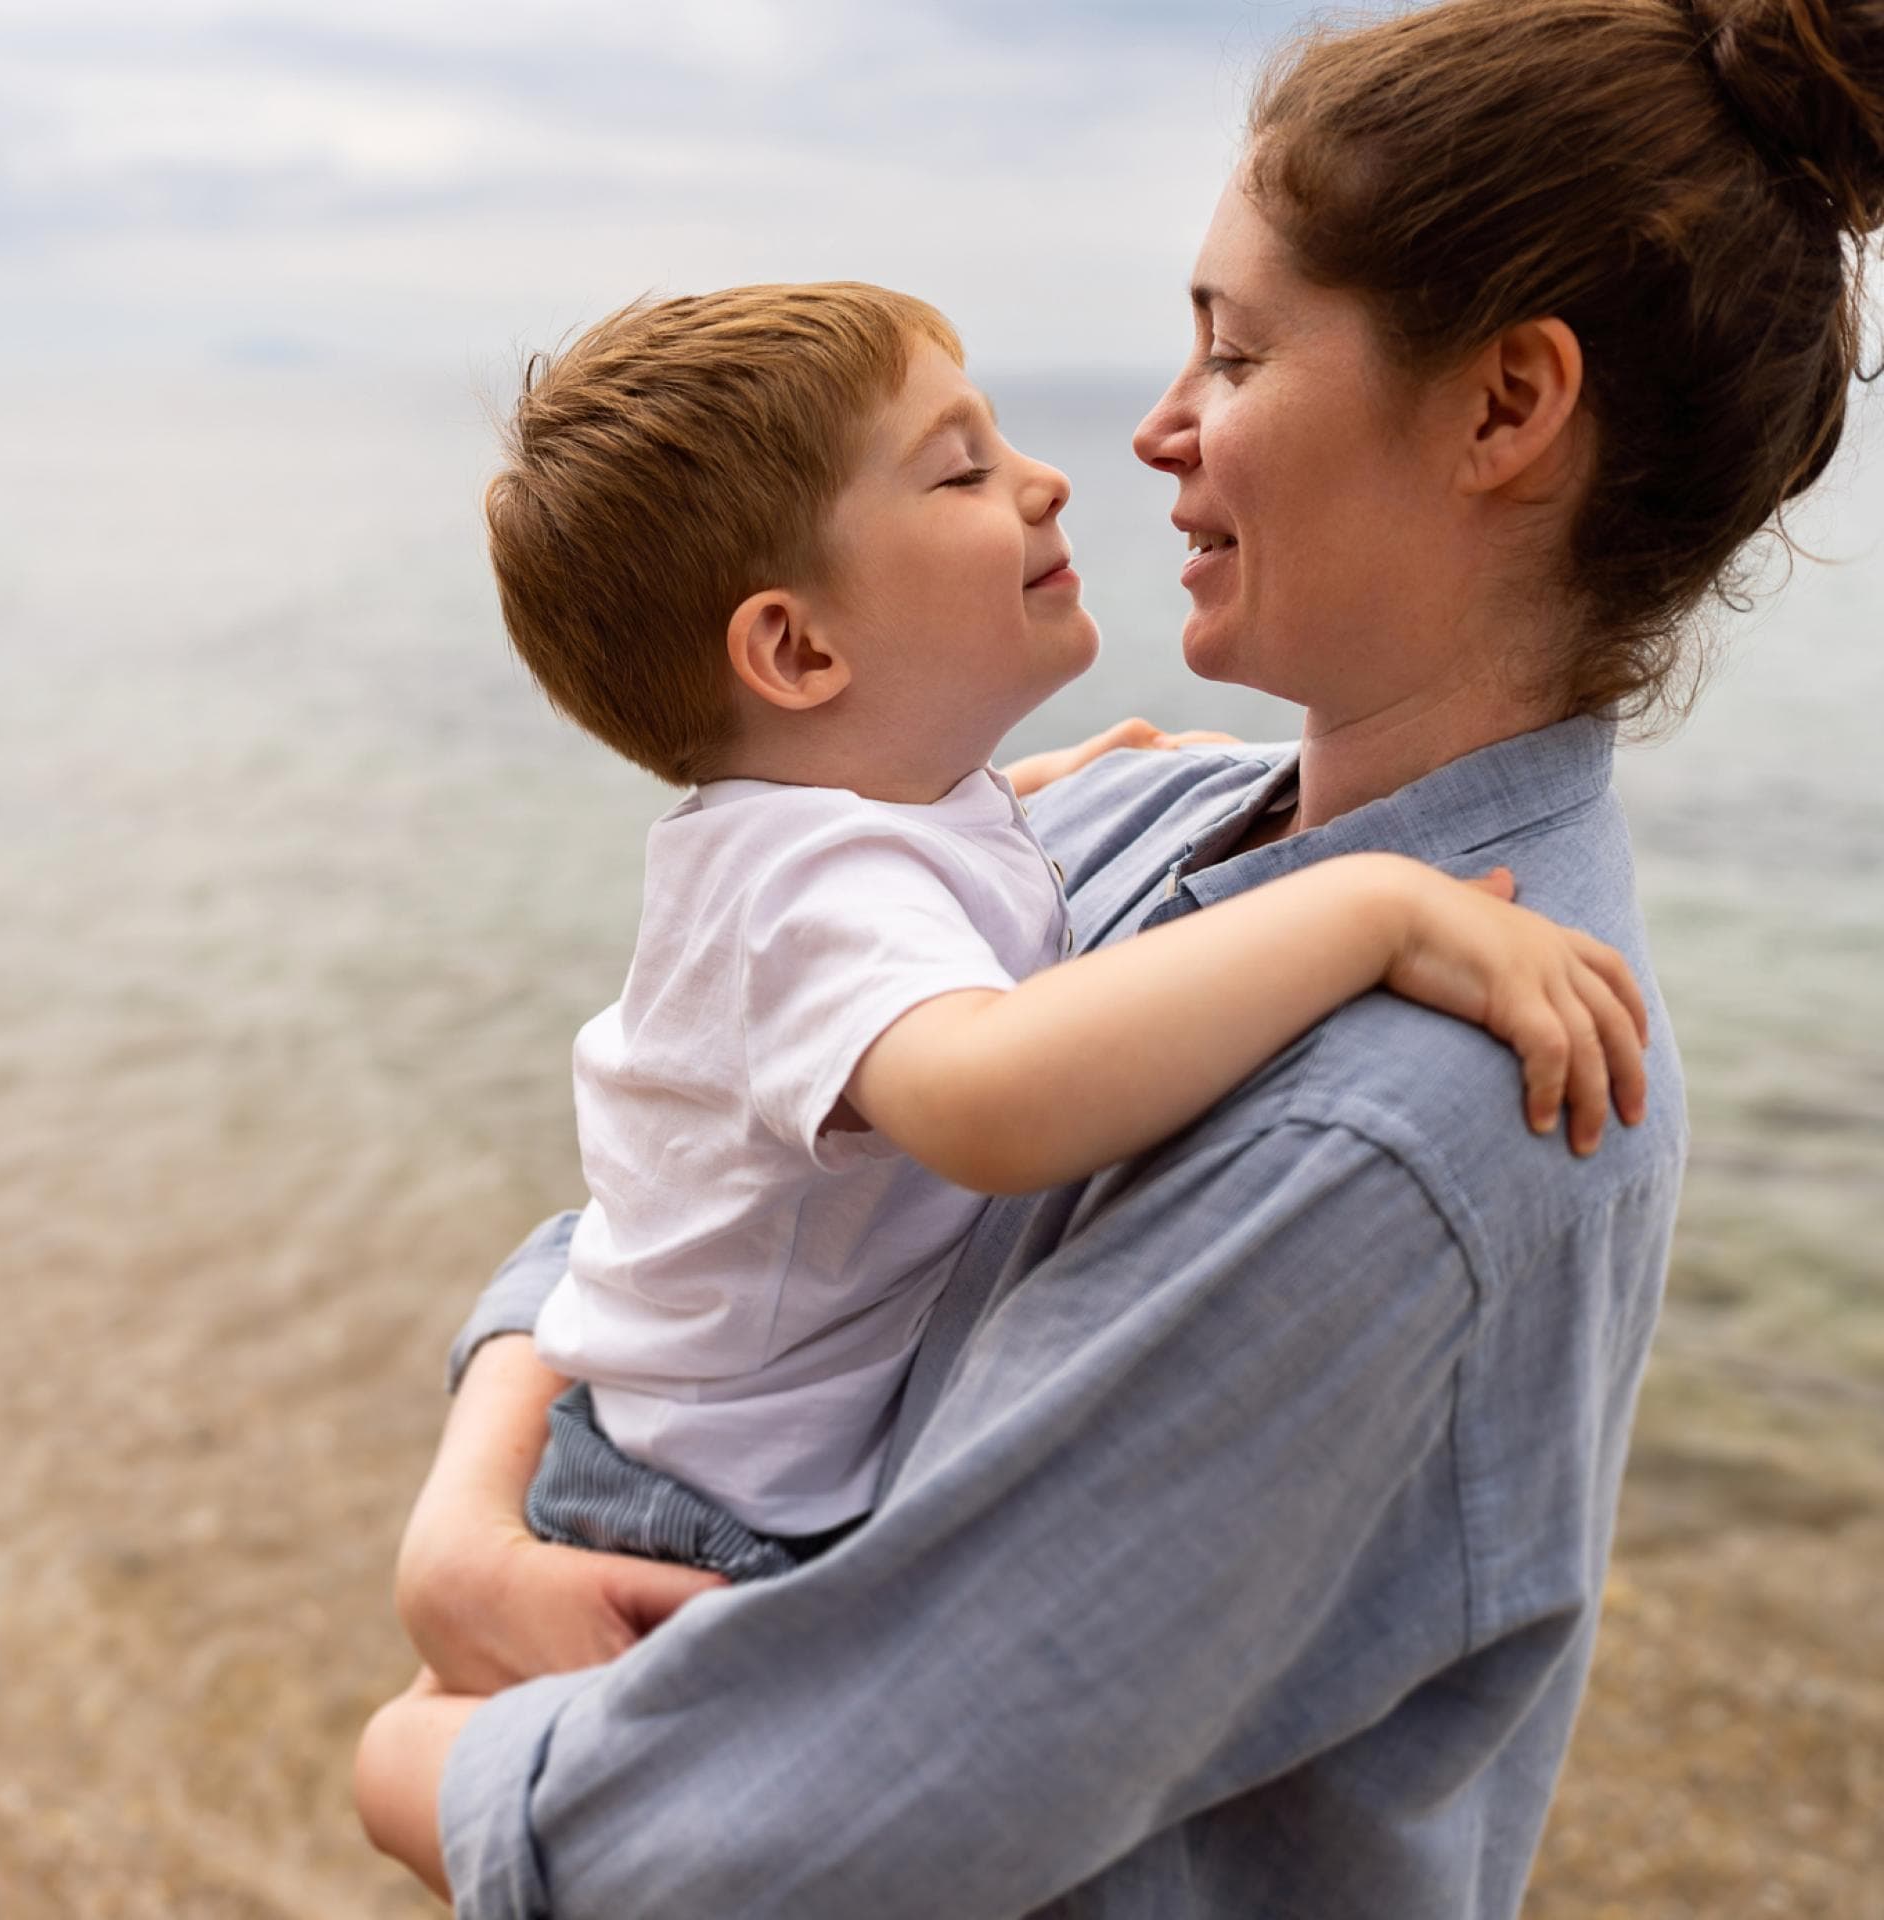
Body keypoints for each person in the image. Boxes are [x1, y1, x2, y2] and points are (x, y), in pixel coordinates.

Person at [355, 0, 1884, 1912]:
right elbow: (684, 1183)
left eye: (1235, 352)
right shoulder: (1130, 822)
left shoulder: (1413, 1127)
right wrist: (468, 1516)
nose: (1148, 431)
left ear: (1507, 408)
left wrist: (402, 1756)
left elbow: (753, 1857)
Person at [461, 281, 1643, 1590]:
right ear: (796, 650)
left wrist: (1049, 781)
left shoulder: (817, 831)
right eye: (962, 472)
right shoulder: (808, 900)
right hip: (703, 1514)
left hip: (663, 1440)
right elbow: (989, 1101)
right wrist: (1366, 909)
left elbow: (907, 853)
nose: (1048, 483)